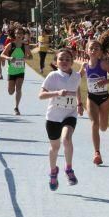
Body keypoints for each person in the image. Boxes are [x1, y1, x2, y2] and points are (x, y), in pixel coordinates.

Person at [39, 48, 83, 190]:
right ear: (56, 62)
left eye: (67, 59)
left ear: (72, 61)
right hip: (53, 117)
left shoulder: (76, 76)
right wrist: (57, 93)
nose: (64, 62)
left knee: (67, 139)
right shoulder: (53, 76)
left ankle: (68, 169)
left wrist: (80, 103)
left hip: (70, 114)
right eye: (61, 59)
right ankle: (53, 172)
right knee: (55, 147)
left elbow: (77, 89)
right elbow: (41, 95)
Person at [80, 34, 109, 165]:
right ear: (87, 51)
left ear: (100, 51)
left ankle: (102, 126)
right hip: (92, 98)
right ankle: (97, 153)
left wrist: (105, 81)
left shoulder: (103, 64)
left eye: (97, 48)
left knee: (104, 127)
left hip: (104, 98)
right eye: (91, 48)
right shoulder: (85, 65)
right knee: (94, 124)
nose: (94, 50)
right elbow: (77, 78)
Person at [1, 27, 33, 115]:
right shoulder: (11, 45)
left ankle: (16, 107)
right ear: (15, 34)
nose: (19, 35)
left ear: (23, 35)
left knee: (19, 88)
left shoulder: (25, 46)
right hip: (11, 71)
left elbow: (31, 56)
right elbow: (2, 54)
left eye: (20, 33)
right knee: (11, 92)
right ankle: (12, 93)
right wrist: (8, 58)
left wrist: (25, 57)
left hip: (20, 70)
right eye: (17, 33)